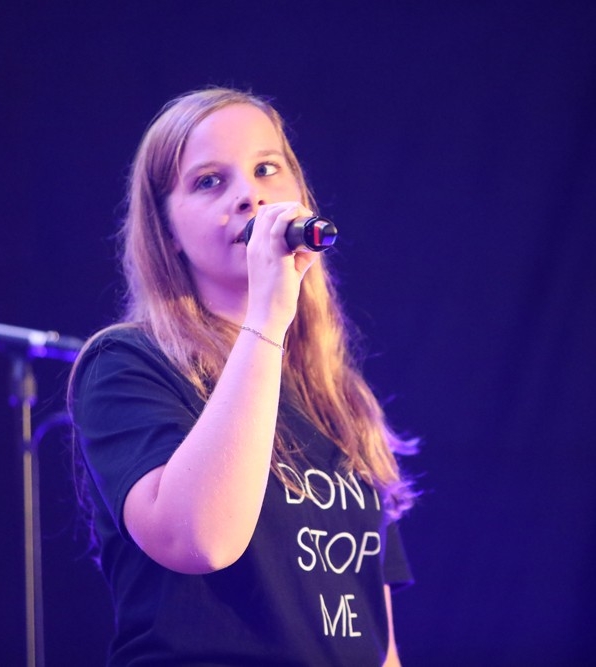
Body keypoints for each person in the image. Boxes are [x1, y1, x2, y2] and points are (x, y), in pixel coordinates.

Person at [69, 87, 418, 666]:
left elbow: (376, 636)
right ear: (166, 229)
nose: (248, 196)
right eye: (209, 181)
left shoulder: (337, 394)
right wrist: (266, 319)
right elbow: (203, 540)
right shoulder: (127, 363)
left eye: (266, 169)